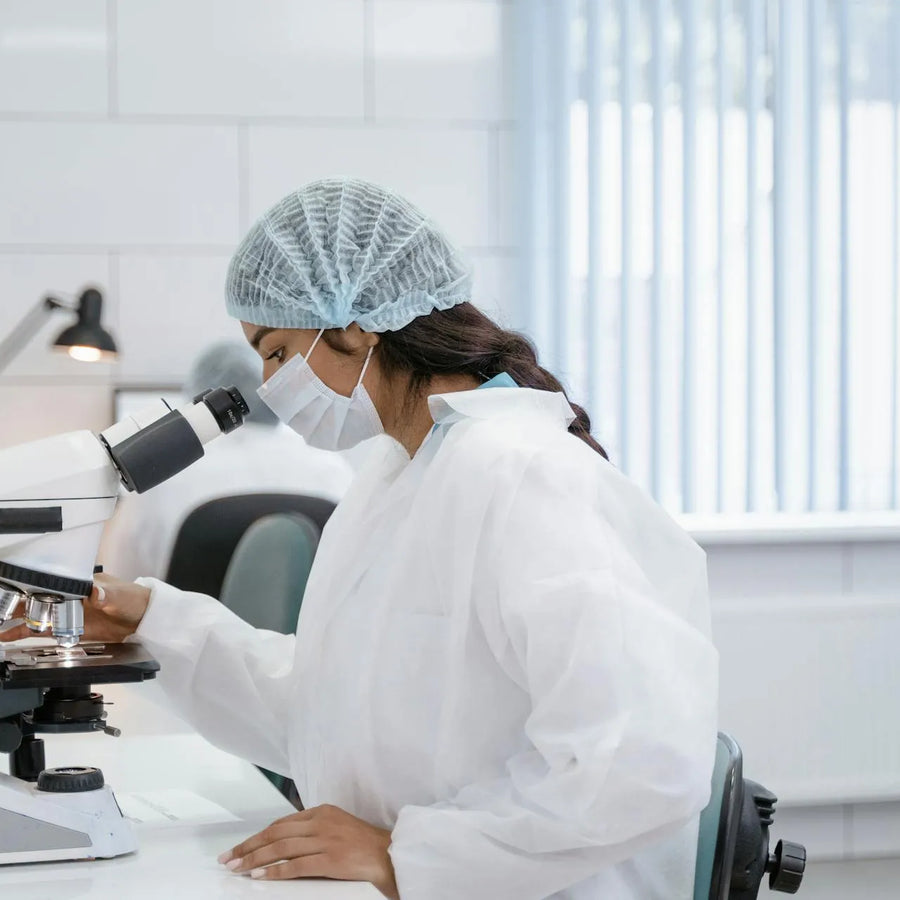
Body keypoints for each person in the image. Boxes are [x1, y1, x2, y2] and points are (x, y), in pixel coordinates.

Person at [2, 178, 718, 899]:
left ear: (360, 323)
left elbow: (639, 761)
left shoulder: (523, 475)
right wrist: (146, 618)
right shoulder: (396, 473)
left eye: (278, 351)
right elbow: (328, 710)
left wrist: (410, 856)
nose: (269, 383)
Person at [100, 339, 353, 581]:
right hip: (303, 626)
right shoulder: (333, 469)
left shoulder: (160, 475)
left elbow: (117, 585)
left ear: (198, 400)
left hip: (183, 625)